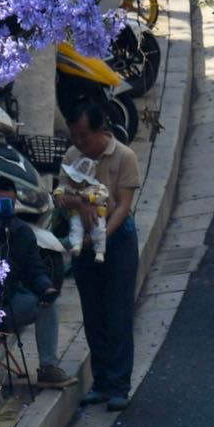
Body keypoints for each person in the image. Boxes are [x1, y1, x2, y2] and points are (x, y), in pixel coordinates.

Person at [59, 102, 140, 411]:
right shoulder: (72, 156)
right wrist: (81, 205)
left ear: (99, 130)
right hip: (83, 238)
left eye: (85, 136)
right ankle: (101, 381)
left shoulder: (125, 157)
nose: (80, 142)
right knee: (93, 314)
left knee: (118, 312)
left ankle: (120, 384)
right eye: (75, 136)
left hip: (116, 239)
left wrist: (103, 235)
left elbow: (123, 205)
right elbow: (62, 195)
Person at [0, 175, 74, 390]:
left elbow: (34, 268)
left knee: (46, 307)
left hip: (7, 304)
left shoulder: (21, 231)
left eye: (8, 204)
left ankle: (48, 368)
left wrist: (46, 288)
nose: (3, 210)